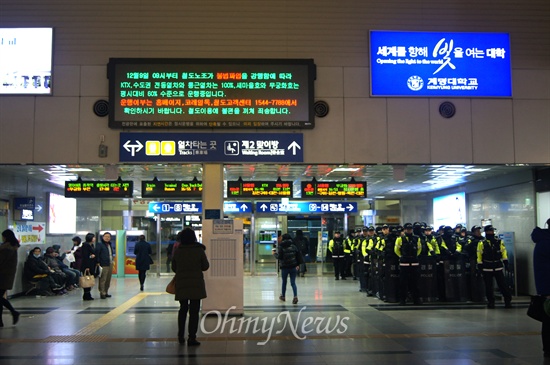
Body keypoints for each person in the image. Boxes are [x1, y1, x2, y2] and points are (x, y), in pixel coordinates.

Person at [172, 228, 209, 346]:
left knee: (183, 309)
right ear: (194, 237)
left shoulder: (178, 251)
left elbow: (174, 267)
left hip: (182, 283)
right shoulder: (199, 250)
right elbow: (205, 266)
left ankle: (180, 335)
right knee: (194, 311)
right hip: (196, 284)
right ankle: (192, 337)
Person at [476, 225, 512, 309]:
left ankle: (507, 301)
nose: (492, 232)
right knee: (488, 287)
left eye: (492, 231)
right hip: (487, 267)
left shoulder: (499, 242)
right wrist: (480, 265)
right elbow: (479, 254)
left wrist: (506, 263)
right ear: (486, 232)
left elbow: (503, 252)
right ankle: (491, 302)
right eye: (490, 231)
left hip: (498, 266)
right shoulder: (482, 243)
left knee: (503, 285)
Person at [531, 219, 550, 358]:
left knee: (548, 320)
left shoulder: (542, 241)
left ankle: (548, 349)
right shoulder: (546, 243)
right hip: (548, 288)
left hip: (545, 288)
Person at [394, 223, 422, 305]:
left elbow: (419, 249)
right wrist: (401, 256)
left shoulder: (417, 238)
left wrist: (415, 256)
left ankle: (416, 299)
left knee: (415, 283)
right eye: (407, 229)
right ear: (404, 229)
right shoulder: (400, 239)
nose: (408, 230)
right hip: (404, 263)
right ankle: (402, 300)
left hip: (414, 263)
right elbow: (396, 249)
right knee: (403, 283)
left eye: (410, 229)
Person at [0, 229, 21, 327]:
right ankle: (1, 320)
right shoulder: (13, 247)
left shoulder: (5, 248)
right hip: (7, 275)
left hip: (2, 275)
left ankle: (14, 312)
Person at [275, 233, 302, 304]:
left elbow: (279, 257)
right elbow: (298, 256)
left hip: (285, 267)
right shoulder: (293, 246)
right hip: (293, 267)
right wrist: (297, 264)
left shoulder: (281, 247)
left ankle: (283, 296)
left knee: (284, 282)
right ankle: (295, 296)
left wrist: (274, 254)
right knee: (293, 282)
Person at [96, 232, 114, 299]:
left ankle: (106, 292)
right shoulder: (100, 244)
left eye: (108, 237)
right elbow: (97, 253)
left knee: (108, 279)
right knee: (103, 279)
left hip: (110, 263)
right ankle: (102, 292)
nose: (107, 238)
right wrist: (98, 262)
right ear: (103, 237)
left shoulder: (109, 244)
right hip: (103, 264)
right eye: (106, 236)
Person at [80, 233, 97, 301]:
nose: (94, 239)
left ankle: (88, 294)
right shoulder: (86, 245)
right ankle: (86, 294)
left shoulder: (91, 245)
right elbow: (85, 256)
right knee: (87, 279)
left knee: (89, 279)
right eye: (93, 237)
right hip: (87, 265)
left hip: (91, 264)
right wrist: (87, 266)